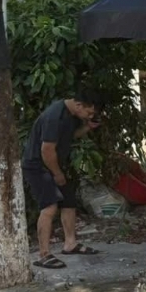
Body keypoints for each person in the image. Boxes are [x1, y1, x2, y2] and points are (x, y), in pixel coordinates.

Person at [22, 89, 104, 269]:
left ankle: (70, 244)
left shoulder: (71, 114)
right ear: (79, 105)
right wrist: (57, 173)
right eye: (89, 112)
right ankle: (44, 254)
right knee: (49, 206)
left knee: (69, 201)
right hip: (38, 165)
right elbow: (46, 150)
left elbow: (70, 135)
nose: (90, 116)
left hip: (54, 164)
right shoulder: (54, 116)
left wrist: (88, 127)